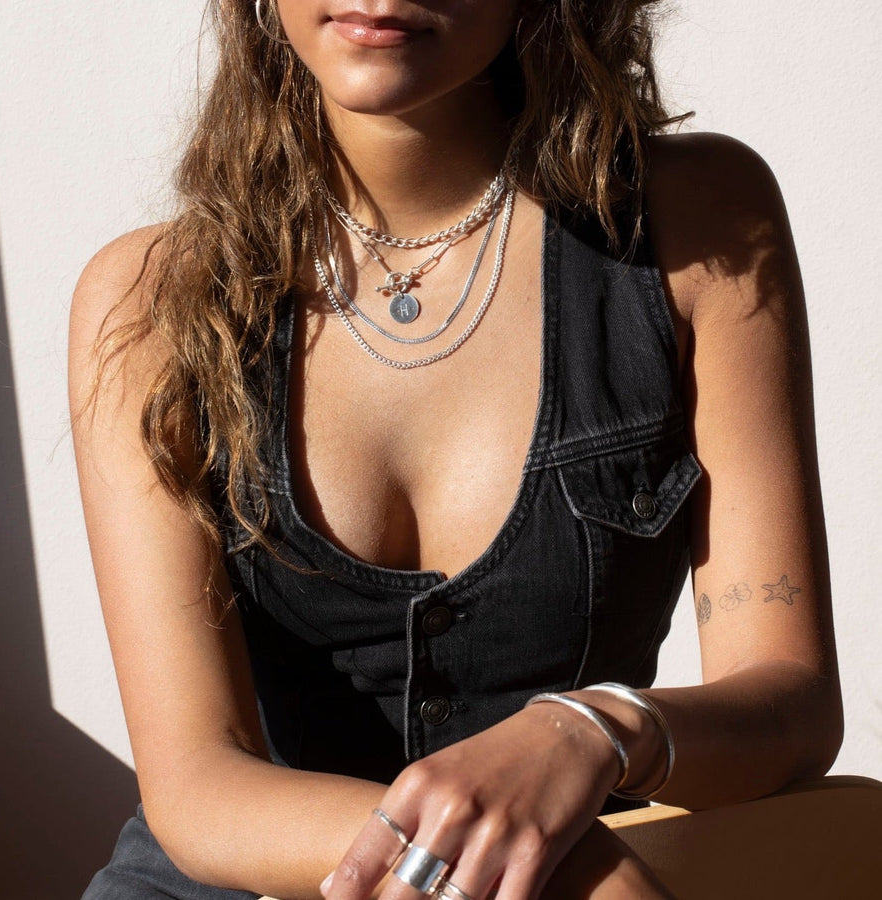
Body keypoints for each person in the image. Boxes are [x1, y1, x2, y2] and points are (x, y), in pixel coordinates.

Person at [69, 1, 843, 898]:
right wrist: (550, 863)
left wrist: (591, 731)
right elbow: (198, 786)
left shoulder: (696, 226)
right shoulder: (151, 305)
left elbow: (788, 700)